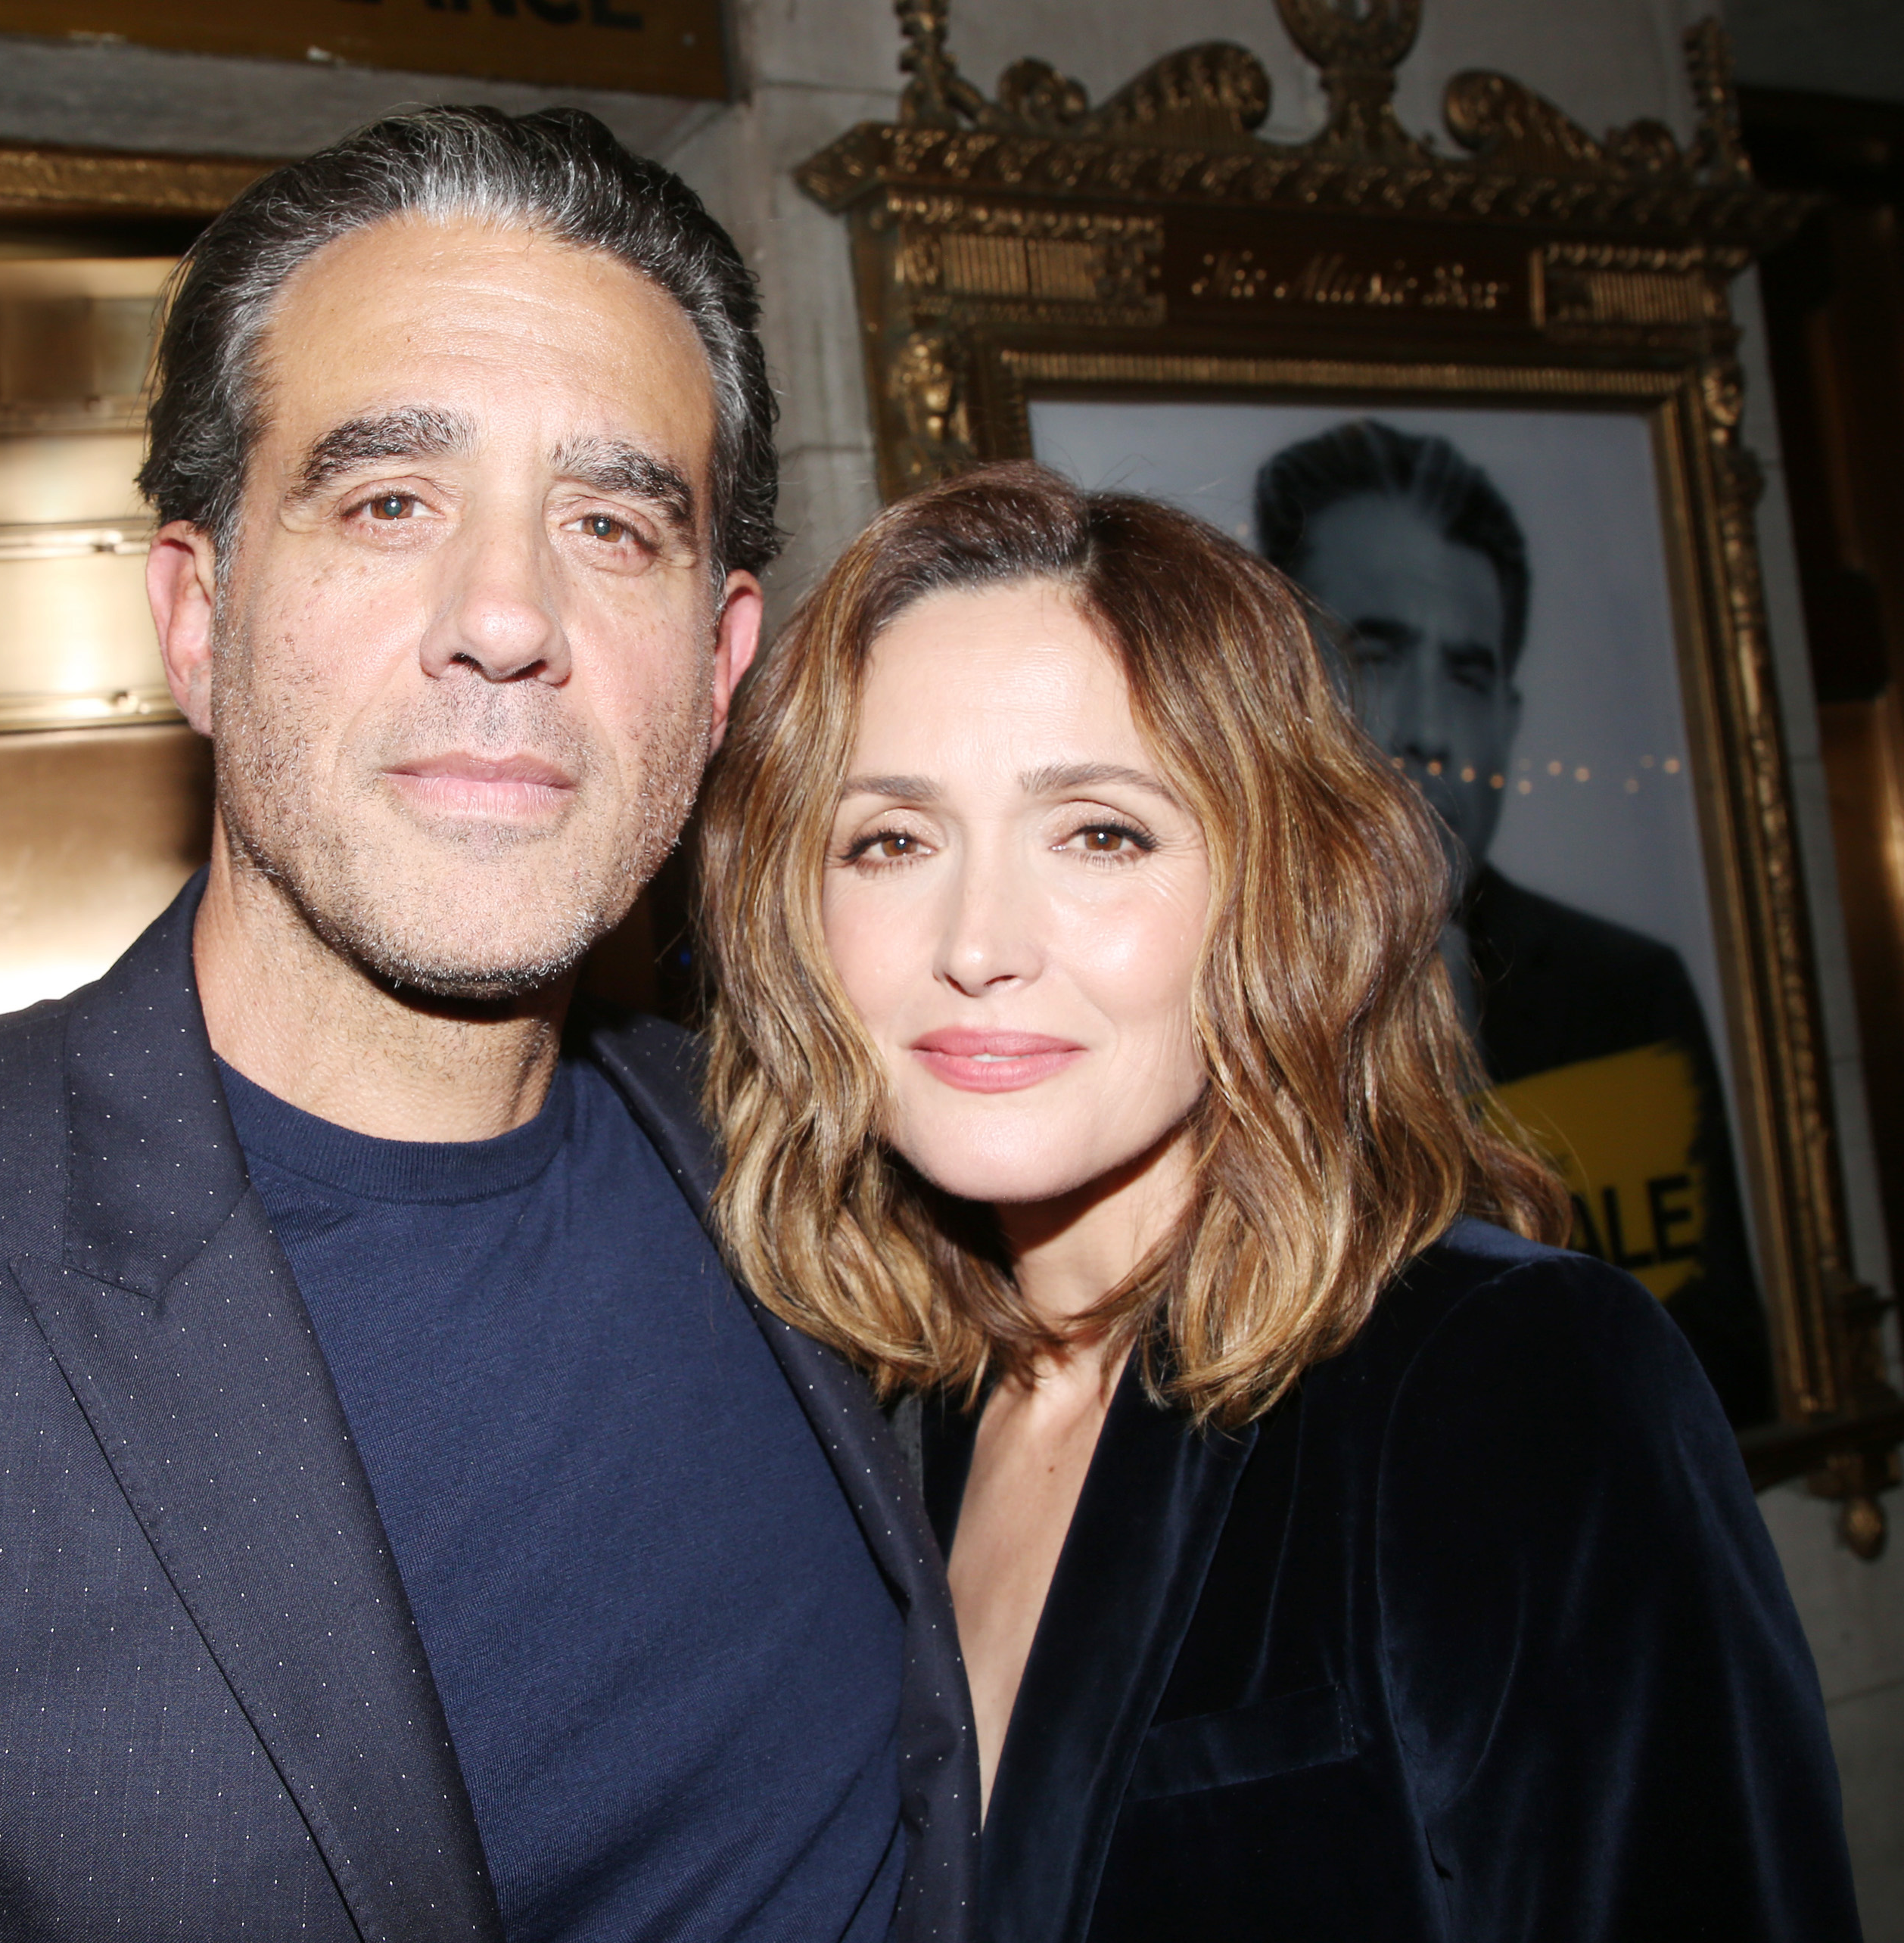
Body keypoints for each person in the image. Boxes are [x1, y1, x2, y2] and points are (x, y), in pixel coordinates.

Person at [0, 110, 976, 1940]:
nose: (505, 617)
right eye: (386, 502)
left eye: (609, 523)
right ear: (195, 613)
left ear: (723, 662)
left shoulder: (825, 1171)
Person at [699, 464, 1858, 1941]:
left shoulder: (1515, 1387)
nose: (975, 942)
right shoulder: (871, 1423)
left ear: (1271, 894)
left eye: (1098, 833)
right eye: (891, 840)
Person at [1255, 417, 1773, 1424]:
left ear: (1511, 718)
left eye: (1469, 673)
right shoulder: (1182, 992)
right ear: (1280, 684)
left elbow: (1727, 1376)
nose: (1432, 730)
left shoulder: (1622, 991)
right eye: (1377, 652)